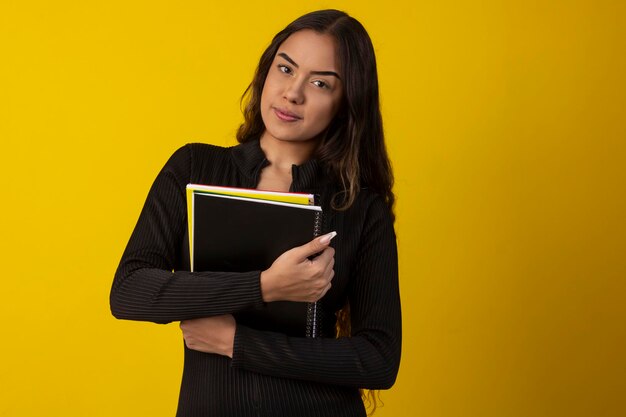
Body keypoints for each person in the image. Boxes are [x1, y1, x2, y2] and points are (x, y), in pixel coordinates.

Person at [110, 9, 401, 417]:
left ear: (346, 102)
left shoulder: (359, 206)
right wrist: (265, 286)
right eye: (286, 69)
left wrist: (237, 344)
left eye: (320, 83)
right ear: (267, 70)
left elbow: (378, 359)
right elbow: (129, 292)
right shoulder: (195, 167)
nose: (292, 93)